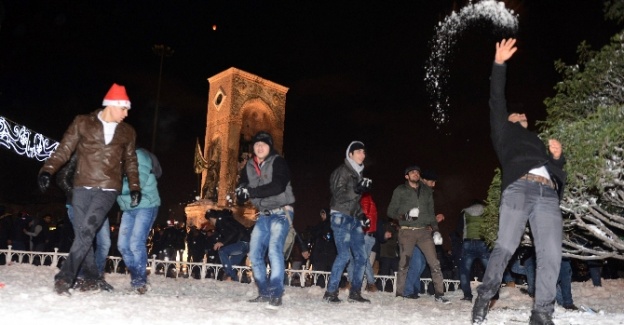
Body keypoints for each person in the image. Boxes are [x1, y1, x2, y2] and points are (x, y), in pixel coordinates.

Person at [471, 38, 567, 325]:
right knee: (506, 245)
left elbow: (558, 170)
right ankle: (484, 297)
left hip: (547, 193)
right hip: (519, 188)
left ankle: (542, 313)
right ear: (509, 120)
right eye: (518, 113)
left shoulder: (537, 140)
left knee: (551, 252)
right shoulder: (503, 131)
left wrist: (558, 157)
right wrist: (499, 64)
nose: (524, 114)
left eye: (526, 114)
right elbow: (496, 98)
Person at [38, 83, 142, 295]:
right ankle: (94, 278)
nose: (127, 113)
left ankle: (64, 277)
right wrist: (47, 170)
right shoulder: (82, 122)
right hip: (81, 188)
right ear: (112, 105)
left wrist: (134, 187)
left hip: (107, 189)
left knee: (87, 231)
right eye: (124, 108)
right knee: (82, 236)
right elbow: (64, 149)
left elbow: (131, 161)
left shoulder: (127, 132)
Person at [235, 131, 295, 308]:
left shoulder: (278, 162)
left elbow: (278, 186)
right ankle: (264, 291)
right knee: (254, 252)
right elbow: (242, 188)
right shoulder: (249, 167)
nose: (260, 147)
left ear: (270, 147)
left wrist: (251, 192)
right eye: (256, 144)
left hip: (281, 211)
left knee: (274, 250)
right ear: (253, 148)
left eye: (264, 144)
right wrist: (240, 193)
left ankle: (276, 293)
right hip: (263, 213)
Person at [387, 165, 449, 303]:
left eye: (417, 172)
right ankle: (400, 294)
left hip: (424, 232)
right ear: (406, 176)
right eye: (412, 172)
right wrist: (406, 217)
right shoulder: (400, 190)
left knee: (434, 263)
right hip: (407, 232)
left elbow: (431, 213)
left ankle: (440, 294)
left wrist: (436, 230)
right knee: (404, 264)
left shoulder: (427, 191)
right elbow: (390, 212)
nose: (415, 173)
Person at [322, 141, 372, 304]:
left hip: (353, 218)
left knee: (361, 256)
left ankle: (355, 292)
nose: (362, 155)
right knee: (344, 255)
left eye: (363, 152)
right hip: (340, 217)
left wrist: (362, 215)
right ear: (350, 154)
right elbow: (338, 195)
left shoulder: (358, 175)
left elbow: (353, 202)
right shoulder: (342, 171)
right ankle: (330, 292)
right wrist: (357, 189)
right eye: (358, 152)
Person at [56, 153, 113, 290]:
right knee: (84, 241)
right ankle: (85, 277)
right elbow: (61, 177)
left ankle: (96, 276)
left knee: (105, 243)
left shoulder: (108, 158)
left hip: (98, 208)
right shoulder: (81, 155)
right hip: (78, 206)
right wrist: (75, 194)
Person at [116, 148, 161, 294]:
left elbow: (138, 181)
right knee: (122, 245)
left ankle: (139, 282)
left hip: (146, 204)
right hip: (128, 207)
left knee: (136, 243)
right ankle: (138, 277)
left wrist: (112, 188)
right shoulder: (116, 160)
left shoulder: (139, 156)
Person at [455, 200, 490, 302]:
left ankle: (467, 295)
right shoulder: (487, 211)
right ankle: (491, 295)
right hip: (483, 243)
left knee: (464, 271)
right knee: (490, 270)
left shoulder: (465, 212)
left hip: (468, 243)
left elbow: (458, 229)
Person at [205, 208, 251, 282]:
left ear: (211, 218)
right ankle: (232, 279)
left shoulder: (223, 221)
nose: (210, 223)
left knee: (222, 252)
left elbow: (234, 232)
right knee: (232, 264)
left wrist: (222, 242)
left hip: (243, 243)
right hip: (247, 244)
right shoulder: (225, 220)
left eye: (209, 221)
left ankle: (230, 276)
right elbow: (232, 233)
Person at [347, 192, 378, 292]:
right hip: (365, 234)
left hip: (363, 234)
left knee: (359, 260)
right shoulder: (365, 199)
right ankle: (367, 284)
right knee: (358, 259)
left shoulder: (364, 199)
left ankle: (369, 284)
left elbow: (362, 216)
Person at [308, 208, 337, 288]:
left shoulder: (331, 225)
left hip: (329, 252)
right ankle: (319, 286)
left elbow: (330, 238)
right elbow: (314, 234)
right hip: (319, 252)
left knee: (328, 270)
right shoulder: (320, 225)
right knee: (319, 270)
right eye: (321, 214)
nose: (322, 216)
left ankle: (330, 286)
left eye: (324, 214)